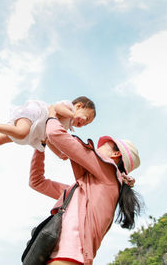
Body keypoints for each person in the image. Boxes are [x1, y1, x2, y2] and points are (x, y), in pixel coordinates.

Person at [28, 107, 142, 265]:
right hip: (62, 257)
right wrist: (40, 146)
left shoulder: (109, 171)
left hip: (70, 256)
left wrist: (52, 114)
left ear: (115, 155)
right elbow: (37, 182)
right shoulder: (83, 190)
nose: (97, 147)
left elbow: (56, 135)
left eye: (104, 145)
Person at [0, 96, 96, 174]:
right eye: (87, 118)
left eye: (87, 124)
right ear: (79, 106)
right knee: (20, 133)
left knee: (0, 140)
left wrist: (60, 154)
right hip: (34, 114)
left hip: (34, 130)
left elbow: (49, 139)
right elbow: (56, 108)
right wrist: (73, 115)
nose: (83, 123)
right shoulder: (69, 109)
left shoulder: (64, 127)